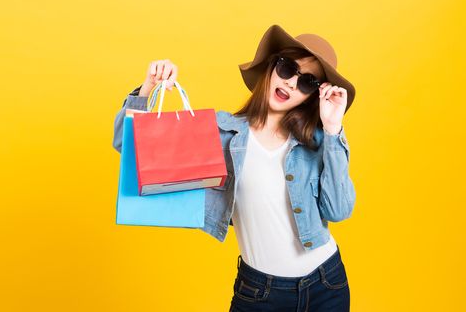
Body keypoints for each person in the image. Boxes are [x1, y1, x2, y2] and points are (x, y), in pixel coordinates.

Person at [112, 24, 356, 311]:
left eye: (307, 82)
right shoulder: (223, 133)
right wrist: (149, 87)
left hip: (325, 284)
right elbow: (128, 147)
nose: (291, 83)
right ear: (272, 66)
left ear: (313, 95)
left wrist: (332, 127)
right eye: (288, 68)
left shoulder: (320, 140)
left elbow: (339, 210)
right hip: (259, 292)